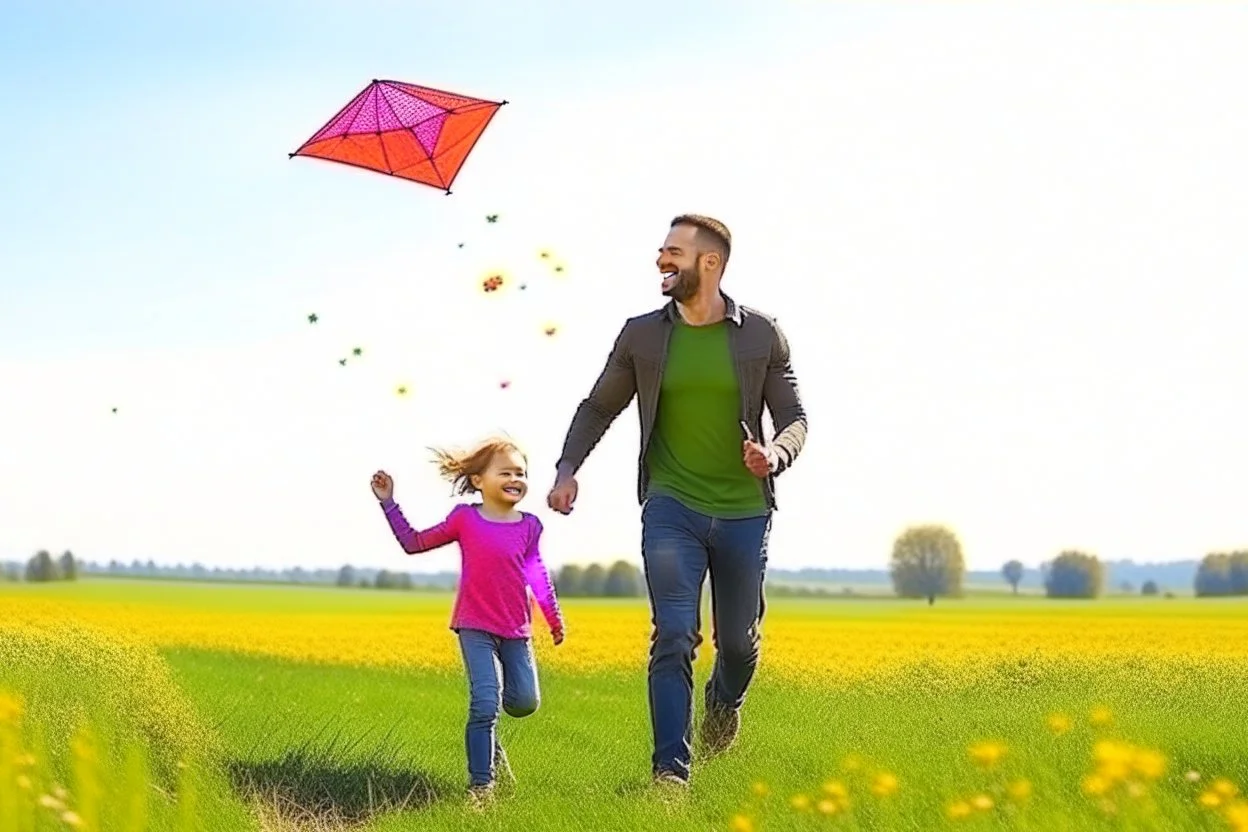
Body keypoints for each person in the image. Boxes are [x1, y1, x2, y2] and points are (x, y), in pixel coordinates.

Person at [547, 214, 807, 788]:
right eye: (662, 251)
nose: (661, 261)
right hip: (671, 505)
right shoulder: (641, 335)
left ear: (708, 264)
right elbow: (598, 407)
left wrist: (775, 455)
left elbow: (794, 419)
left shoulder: (762, 335)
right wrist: (567, 468)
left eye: (673, 253)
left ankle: (724, 704)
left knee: (738, 645)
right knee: (672, 633)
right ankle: (671, 774)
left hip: (744, 511)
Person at [371, 435, 565, 808]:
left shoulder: (530, 526)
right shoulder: (466, 519)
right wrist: (389, 503)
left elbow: (537, 573)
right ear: (478, 481)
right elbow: (413, 543)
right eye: (505, 471)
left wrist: (553, 619)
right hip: (474, 626)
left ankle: (491, 744)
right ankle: (481, 788)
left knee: (524, 702)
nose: (515, 478)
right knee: (484, 704)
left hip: (516, 631)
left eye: (521, 473)